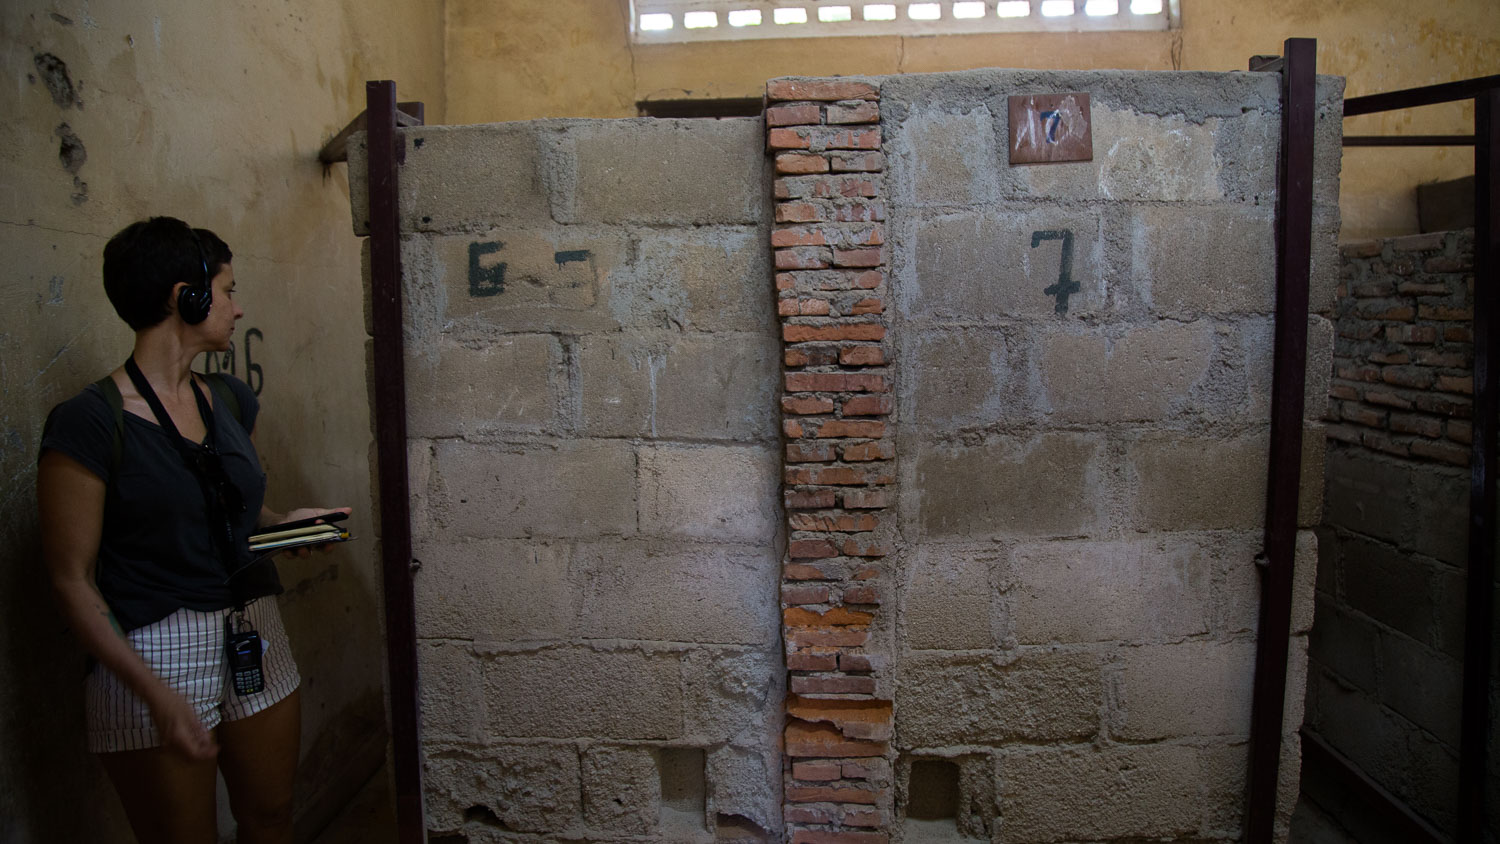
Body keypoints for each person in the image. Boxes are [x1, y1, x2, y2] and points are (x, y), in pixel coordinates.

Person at [36, 216, 348, 844]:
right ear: (188, 297)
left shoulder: (231, 400)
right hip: (156, 652)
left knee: (270, 817)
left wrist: (283, 526)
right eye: (228, 291)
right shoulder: (89, 423)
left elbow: (230, 522)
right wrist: (151, 692)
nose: (238, 308)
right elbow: (71, 580)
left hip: (254, 630)